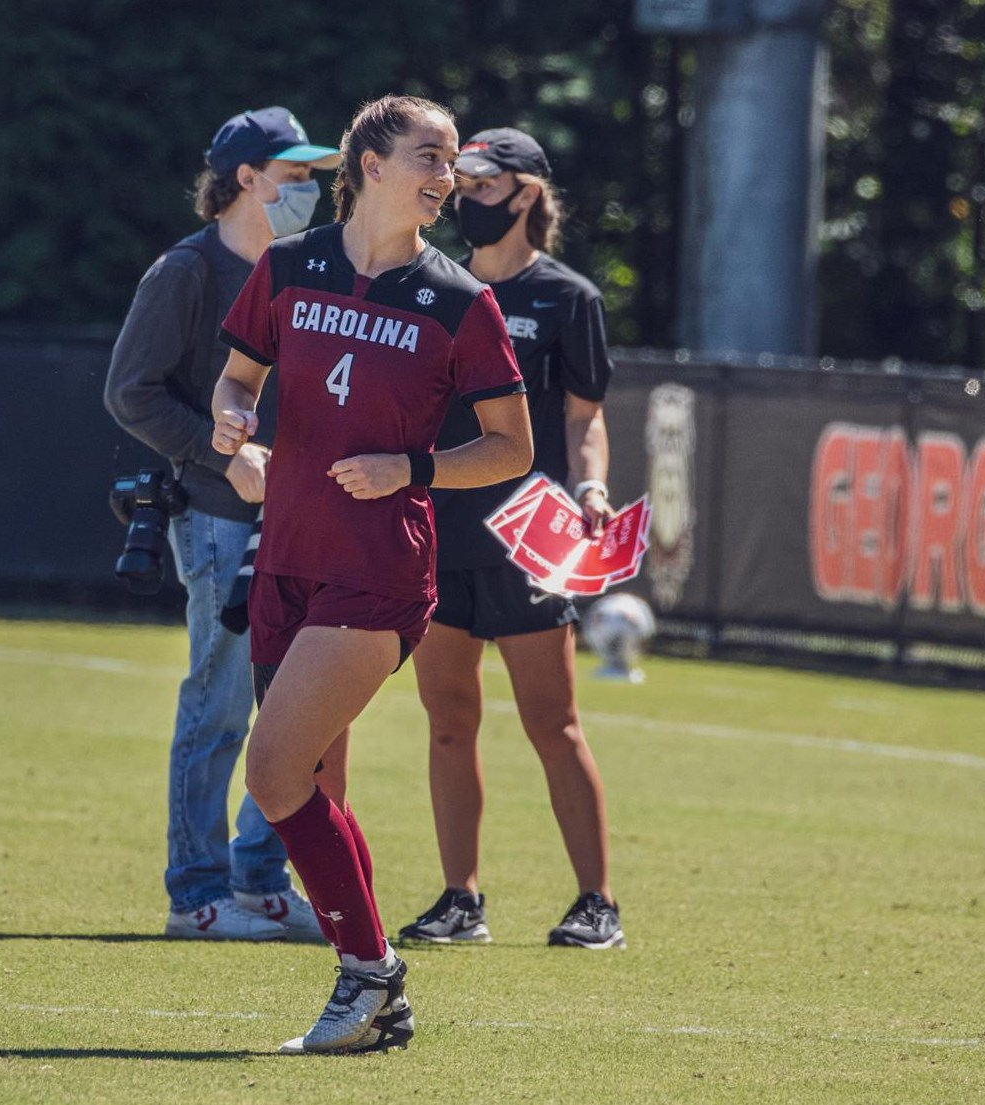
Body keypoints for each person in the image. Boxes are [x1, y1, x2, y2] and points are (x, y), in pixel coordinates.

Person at [211, 95, 532, 1054]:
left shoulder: (459, 299)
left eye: (455, 163)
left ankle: (369, 974)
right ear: (368, 163)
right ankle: (376, 983)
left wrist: (415, 467)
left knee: (271, 768)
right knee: (296, 782)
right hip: (285, 559)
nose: (448, 177)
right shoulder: (285, 267)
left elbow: (509, 447)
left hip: (381, 567)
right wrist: (232, 421)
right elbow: (238, 377)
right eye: (430, 157)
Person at [103, 107, 342, 942]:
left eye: (314, 176)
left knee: (296, 710)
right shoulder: (185, 270)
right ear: (246, 178)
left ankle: (257, 879)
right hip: (214, 520)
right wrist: (221, 457)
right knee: (219, 706)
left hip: (305, 522)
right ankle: (196, 894)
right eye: (297, 175)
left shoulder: (308, 267)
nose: (310, 190)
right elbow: (129, 392)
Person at [396, 127, 626, 951]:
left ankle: (596, 902)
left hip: (529, 540)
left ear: (527, 194)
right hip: (437, 526)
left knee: (551, 722)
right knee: (448, 720)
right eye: (461, 184)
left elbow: (582, 419)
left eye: (483, 185)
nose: (465, 199)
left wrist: (591, 486)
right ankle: (460, 900)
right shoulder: (435, 288)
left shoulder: (569, 299)